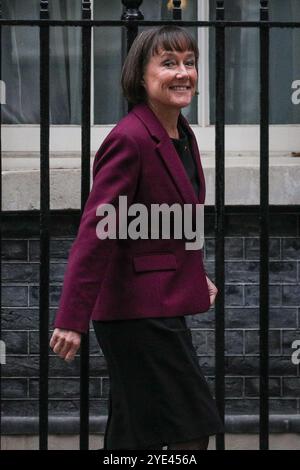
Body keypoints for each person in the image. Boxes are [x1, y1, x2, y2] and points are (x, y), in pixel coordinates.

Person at [50, 25, 224, 450]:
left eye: (189, 63)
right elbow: (97, 232)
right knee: (191, 429)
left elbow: (167, 220)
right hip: (137, 313)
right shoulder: (129, 139)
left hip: (159, 301)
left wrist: (193, 273)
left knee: (133, 436)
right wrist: (72, 318)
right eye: (168, 64)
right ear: (140, 77)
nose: (183, 73)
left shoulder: (181, 134)